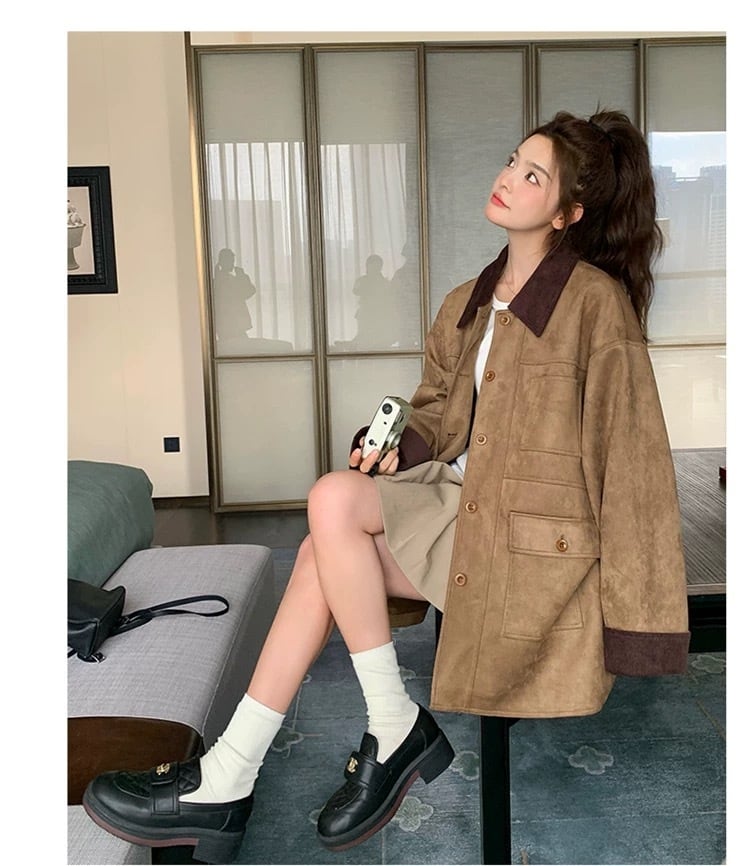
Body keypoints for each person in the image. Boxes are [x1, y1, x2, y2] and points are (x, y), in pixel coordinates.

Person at [82, 110, 690, 862]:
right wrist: (397, 448)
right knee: (331, 518)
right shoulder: (468, 300)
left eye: (533, 176)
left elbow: (633, 463)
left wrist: (638, 623)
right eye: (512, 160)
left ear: (567, 213)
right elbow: (436, 408)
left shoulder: (595, 304)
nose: (507, 178)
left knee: (326, 527)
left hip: (530, 545)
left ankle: (251, 768)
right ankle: (282, 757)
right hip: (457, 505)